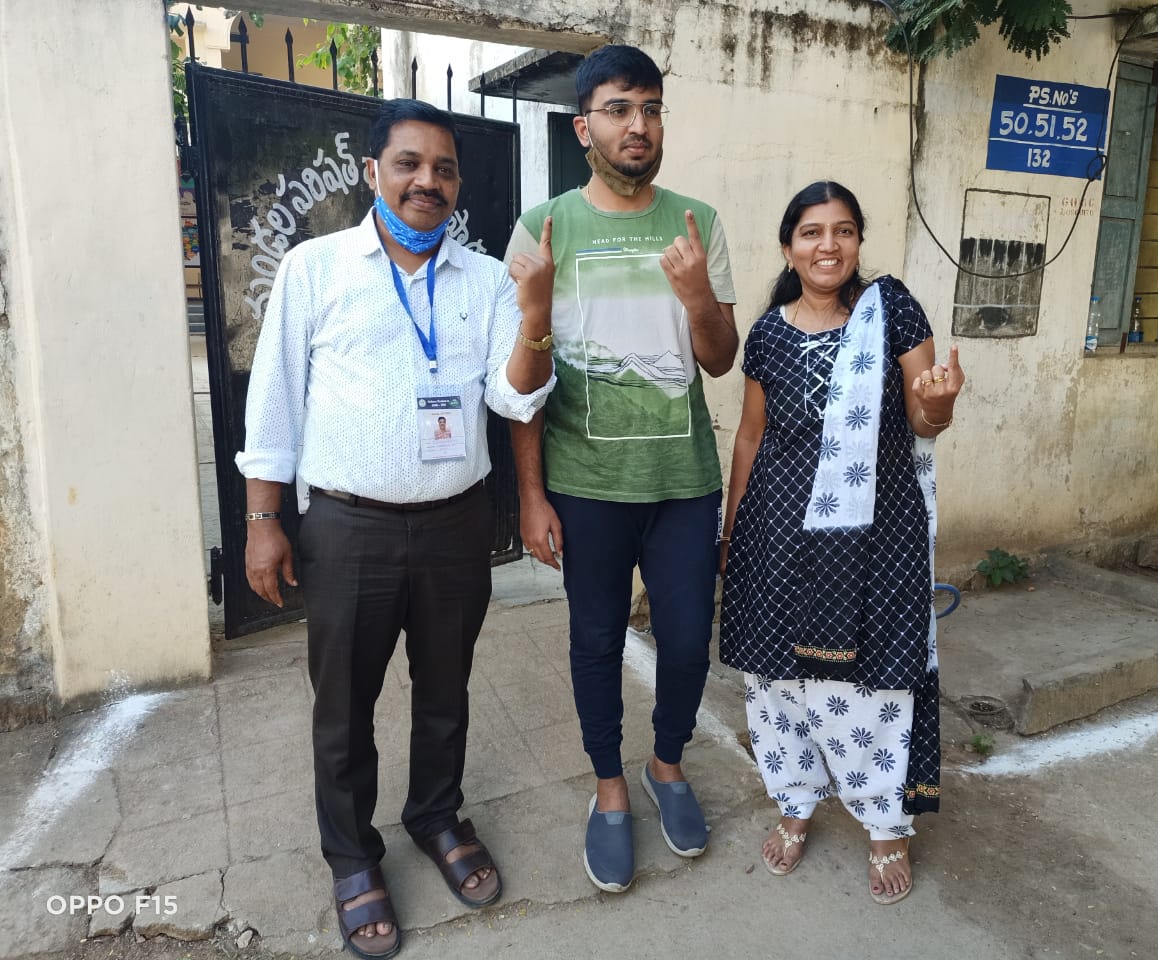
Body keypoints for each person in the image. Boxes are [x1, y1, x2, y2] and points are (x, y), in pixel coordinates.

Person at [236, 98, 556, 959]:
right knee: (344, 706)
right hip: (347, 529)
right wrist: (265, 521)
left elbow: (515, 397)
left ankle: (436, 816)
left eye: (444, 168)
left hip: (455, 525)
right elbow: (273, 405)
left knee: (446, 690)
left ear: (457, 185)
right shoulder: (314, 268)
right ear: (374, 172)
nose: (428, 181)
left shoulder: (485, 279)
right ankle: (351, 856)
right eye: (409, 164)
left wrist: (535, 315)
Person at [504, 45, 738, 893]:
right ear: (584, 126)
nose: (637, 125)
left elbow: (718, 360)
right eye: (617, 109)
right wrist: (531, 496)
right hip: (585, 485)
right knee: (596, 641)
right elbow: (522, 386)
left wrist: (700, 296)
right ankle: (609, 787)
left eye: (650, 107)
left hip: (683, 482)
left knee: (683, 643)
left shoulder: (697, 222)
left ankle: (665, 765)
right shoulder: (545, 228)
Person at [718, 181, 963, 905]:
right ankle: (794, 803)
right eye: (813, 232)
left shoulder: (891, 312)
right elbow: (751, 436)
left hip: (872, 538)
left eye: (844, 230)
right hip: (775, 534)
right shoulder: (767, 334)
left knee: (870, 685)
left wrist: (940, 406)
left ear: (858, 242)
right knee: (777, 684)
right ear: (789, 246)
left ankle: (887, 823)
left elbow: (923, 418)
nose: (829, 245)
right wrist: (735, 531)